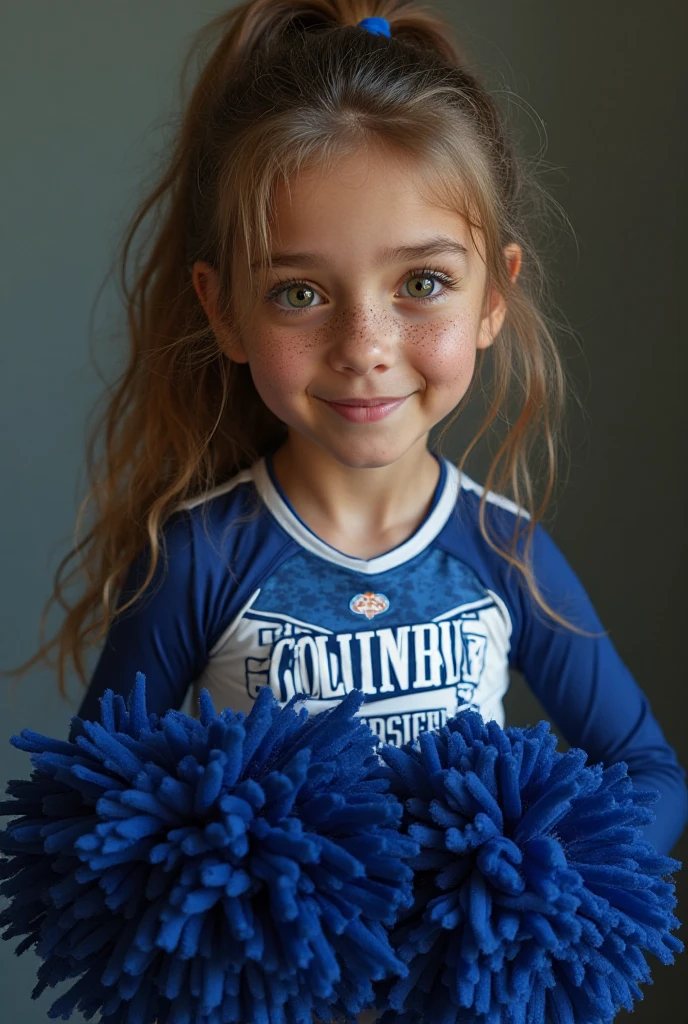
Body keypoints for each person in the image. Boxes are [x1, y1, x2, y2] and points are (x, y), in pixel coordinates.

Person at [10, 0, 686, 887]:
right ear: (224, 310)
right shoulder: (200, 559)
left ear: (493, 299)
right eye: (299, 293)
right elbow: (86, 807)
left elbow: (652, 772)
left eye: (423, 281)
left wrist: (529, 893)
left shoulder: (504, 552)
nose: (364, 344)